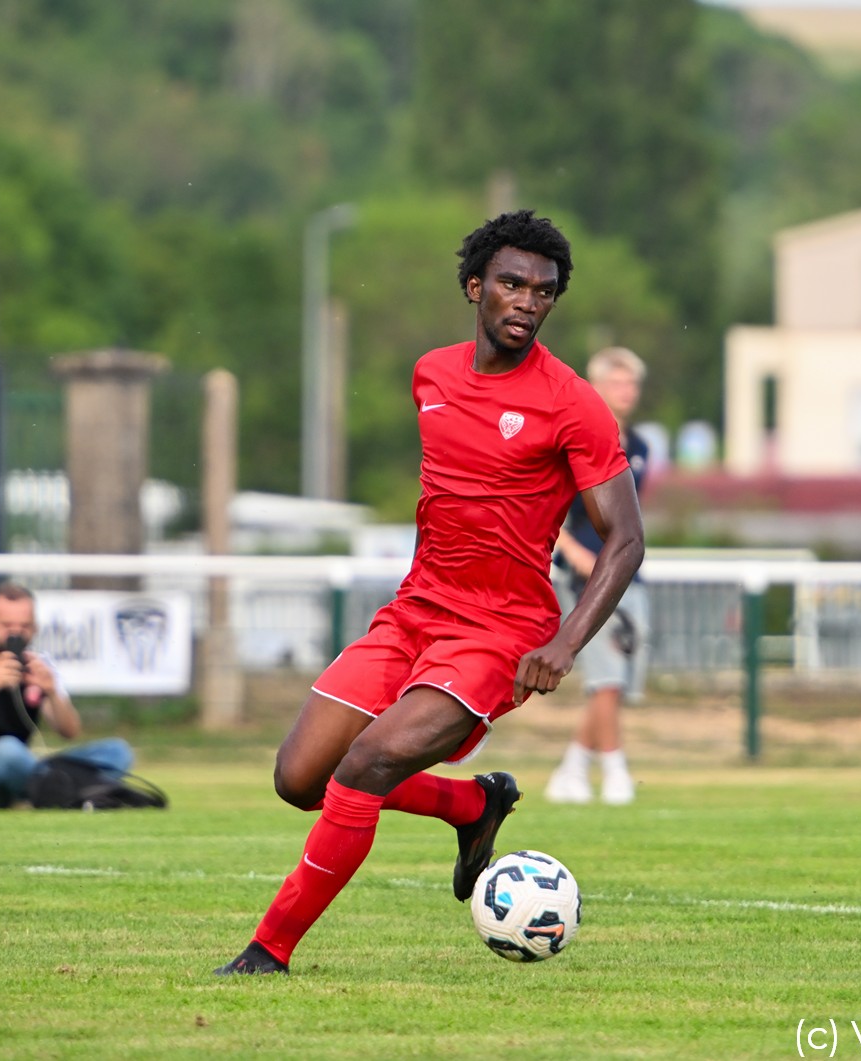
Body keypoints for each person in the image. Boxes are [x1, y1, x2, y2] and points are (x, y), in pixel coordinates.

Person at [215, 210, 645, 976]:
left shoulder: (573, 403)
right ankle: (471, 805)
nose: (528, 301)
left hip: (500, 631)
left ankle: (267, 950)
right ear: (475, 286)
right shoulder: (432, 376)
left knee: (368, 762)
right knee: (299, 778)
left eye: (544, 291)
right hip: (413, 611)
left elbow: (627, 538)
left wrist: (565, 642)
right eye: (512, 284)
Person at [546, 347, 652, 805]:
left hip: (627, 573)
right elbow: (548, 514)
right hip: (586, 577)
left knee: (620, 681)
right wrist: (577, 556)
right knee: (605, 676)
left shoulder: (640, 446)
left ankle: (571, 769)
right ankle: (614, 771)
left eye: (632, 383)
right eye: (617, 383)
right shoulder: (577, 440)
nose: (627, 392)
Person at [0, 581, 134, 809]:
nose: (16, 632)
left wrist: (51, 692)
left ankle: (55, 792)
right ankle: (73, 793)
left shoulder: (38, 665)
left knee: (116, 752)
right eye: (7, 625)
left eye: (24, 626)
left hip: (18, 776)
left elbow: (70, 731)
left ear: (35, 628)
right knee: (7, 751)